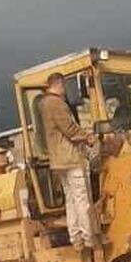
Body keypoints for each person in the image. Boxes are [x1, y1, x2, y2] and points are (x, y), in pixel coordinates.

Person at [37, 72, 99, 251]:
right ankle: (88, 238)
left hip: (59, 161)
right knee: (82, 199)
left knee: (71, 200)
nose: (65, 90)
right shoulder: (55, 103)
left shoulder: (44, 105)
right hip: (70, 159)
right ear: (59, 84)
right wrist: (89, 138)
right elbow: (70, 129)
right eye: (64, 86)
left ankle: (76, 238)